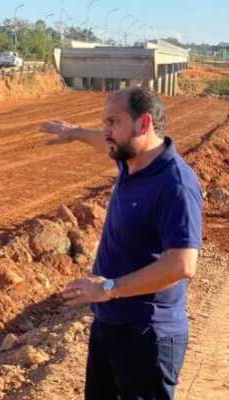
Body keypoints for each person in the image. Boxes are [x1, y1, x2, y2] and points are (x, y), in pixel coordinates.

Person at [40, 87, 202, 400]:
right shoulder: (131, 161)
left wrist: (109, 287)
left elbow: (183, 264)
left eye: (113, 122)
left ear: (144, 124)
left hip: (147, 337)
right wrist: (74, 132)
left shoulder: (175, 184)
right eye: (104, 122)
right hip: (110, 325)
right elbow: (105, 142)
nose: (106, 131)